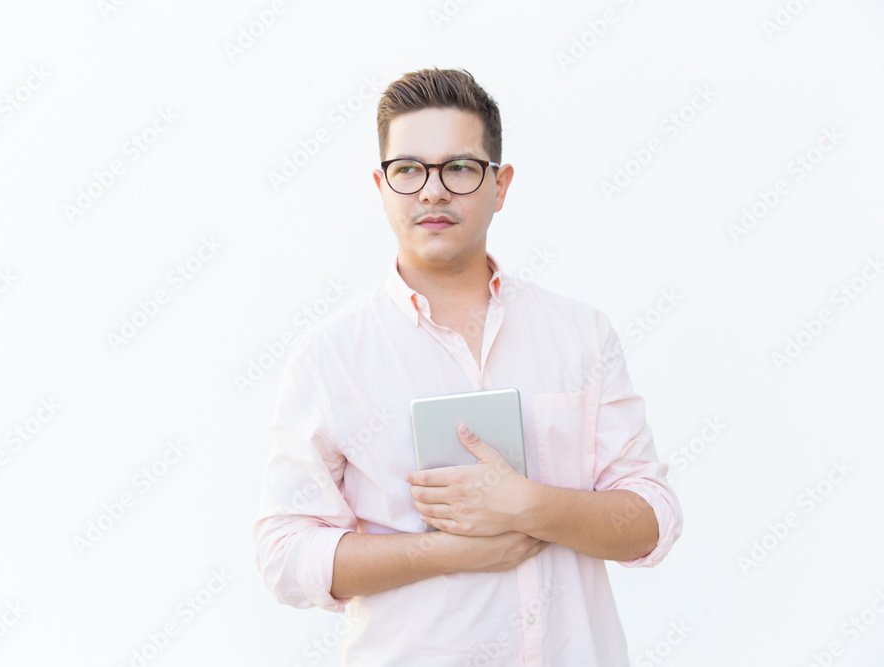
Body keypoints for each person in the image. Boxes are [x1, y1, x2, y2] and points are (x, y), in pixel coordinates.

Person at [253, 67, 683, 666]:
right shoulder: (330, 358)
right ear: (382, 186)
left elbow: (652, 519)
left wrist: (529, 504)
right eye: (409, 170)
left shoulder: (581, 334)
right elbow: (283, 554)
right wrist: (447, 552)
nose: (432, 192)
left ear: (499, 186)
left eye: (459, 167)